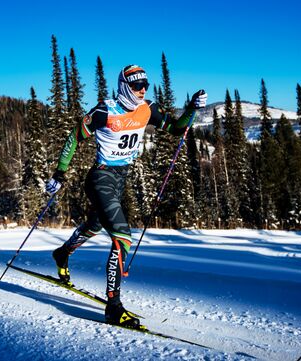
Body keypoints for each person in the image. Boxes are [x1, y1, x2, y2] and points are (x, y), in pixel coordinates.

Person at [45, 64, 207, 329]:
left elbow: (177, 129)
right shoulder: (104, 110)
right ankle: (114, 307)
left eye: (145, 85)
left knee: (96, 224)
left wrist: (191, 108)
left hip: (122, 179)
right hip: (101, 177)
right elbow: (74, 137)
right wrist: (60, 173)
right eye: (136, 86)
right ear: (124, 86)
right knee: (121, 236)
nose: (142, 90)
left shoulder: (148, 109)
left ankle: (63, 253)